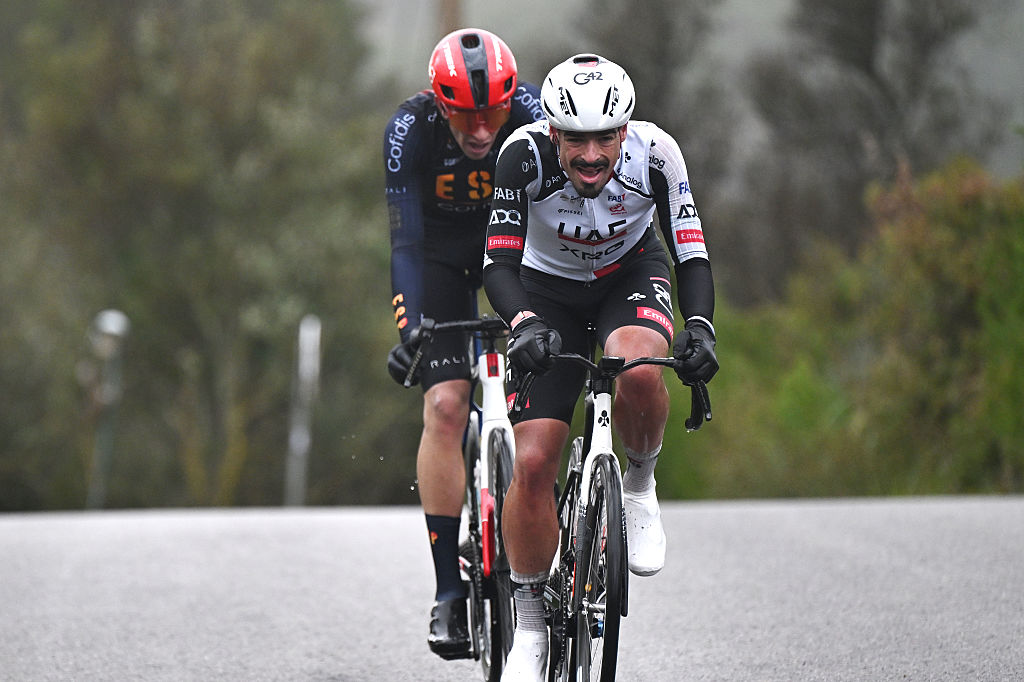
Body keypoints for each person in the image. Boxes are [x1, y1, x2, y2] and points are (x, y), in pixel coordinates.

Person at [482, 54, 719, 678]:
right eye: (575, 140)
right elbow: (498, 265)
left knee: (637, 368)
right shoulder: (521, 156)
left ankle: (638, 485)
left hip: (629, 275)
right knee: (534, 462)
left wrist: (699, 326)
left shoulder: (658, 155)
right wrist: (523, 323)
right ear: (552, 132)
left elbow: (691, 253)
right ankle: (530, 625)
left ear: (625, 132)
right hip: (545, 290)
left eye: (605, 139)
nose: (591, 155)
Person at [382, 28, 544, 661]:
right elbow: (404, 243)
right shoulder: (409, 130)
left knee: (543, 404)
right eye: (466, 115)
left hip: (518, 250)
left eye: (493, 114)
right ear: (439, 103)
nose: (481, 130)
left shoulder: (533, 112)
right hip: (442, 260)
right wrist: (410, 330)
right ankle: (449, 591)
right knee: (446, 406)